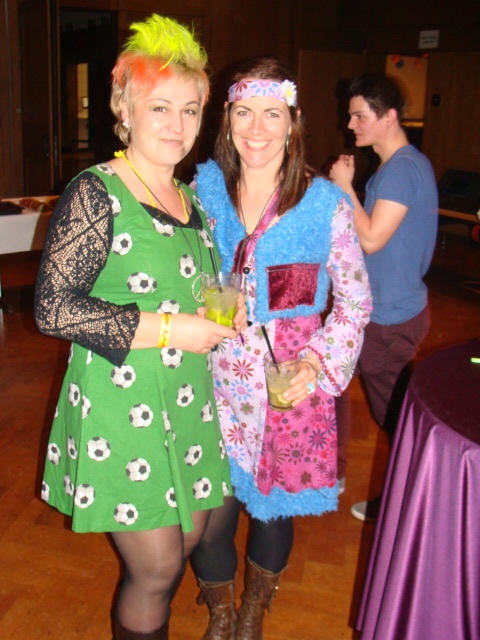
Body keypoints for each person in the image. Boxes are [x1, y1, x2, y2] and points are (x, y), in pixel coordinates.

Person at [34, 15, 247, 640]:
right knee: (155, 568)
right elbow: (52, 308)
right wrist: (171, 329)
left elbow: (189, 286)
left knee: (187, 540)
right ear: (124, 109)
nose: (176, 125)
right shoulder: (96, 192)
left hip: (185, 400)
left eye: (189, 109)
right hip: (121, 404)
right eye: (160, 107)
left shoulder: (191, 200)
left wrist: (221, 311)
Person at [189, 57, 372, 639]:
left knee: (272, 513)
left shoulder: (324, 204)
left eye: (272, 114)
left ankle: (251, 612)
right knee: (208, 517)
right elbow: (178, 274)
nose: (257, 128)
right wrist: (194, 308)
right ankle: (220, 611)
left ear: (293, 122)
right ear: (227, 119)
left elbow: (355, 300)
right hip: (209, 377)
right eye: (244, 112)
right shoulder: (202, 192)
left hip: (287, 382)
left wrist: (317, 363)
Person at [329, 72, 438, 522]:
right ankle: (331, 473)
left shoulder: (403, 169)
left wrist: (343, 186)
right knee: (332, 382)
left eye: (359, 116)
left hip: (389, 320)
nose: (350, 124)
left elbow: (371, 238)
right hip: (373, 313)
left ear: (389, 116)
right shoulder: (396, 168)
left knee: (398, 420)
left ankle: (413, 504)